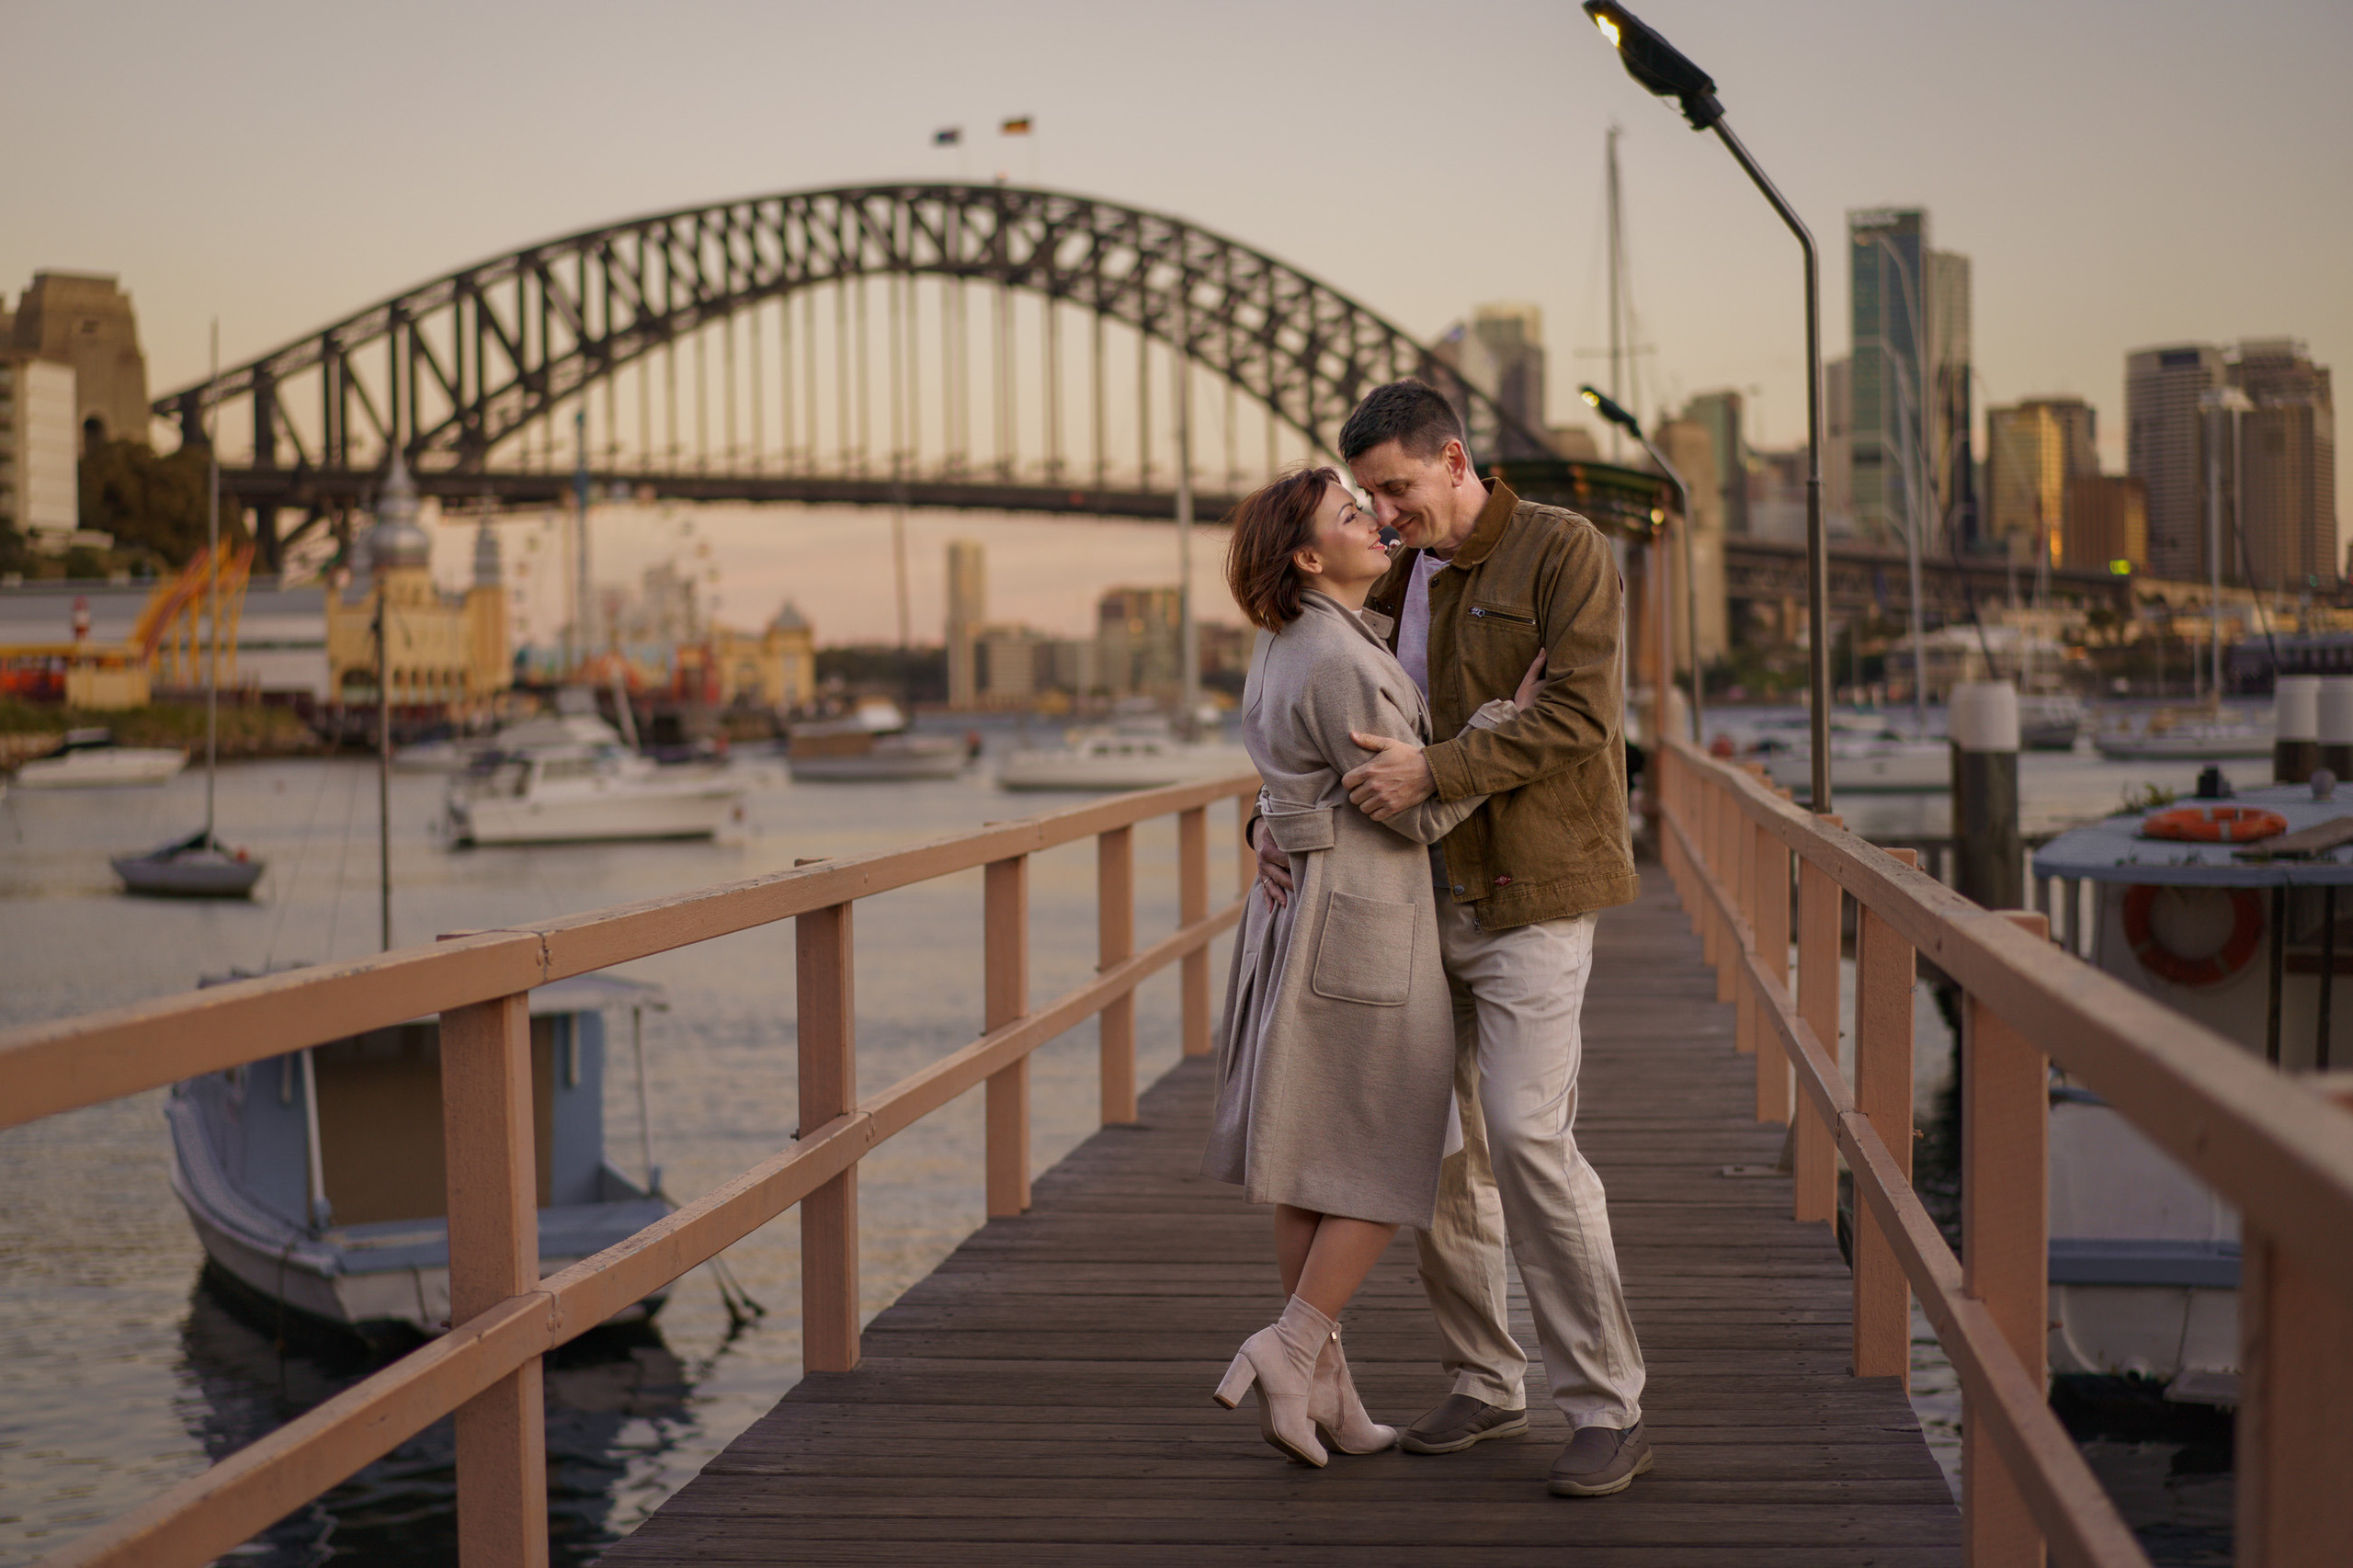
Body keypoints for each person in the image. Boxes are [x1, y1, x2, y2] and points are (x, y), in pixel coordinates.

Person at [1256, 379, 1651, 1497]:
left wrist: (1443, 763)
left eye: (1397, 488)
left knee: (1527, 1137)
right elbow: (1331, 725)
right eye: (1368, 497)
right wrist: (1266, 821)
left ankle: (1609, 1403)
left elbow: (1578, 714)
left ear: (1455, 458)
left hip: (1530, 891)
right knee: (1434, 1157)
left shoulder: (1561, 550)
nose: (1382, 513)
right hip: (1415, 902)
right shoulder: (1391, 574)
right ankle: (1486, 1377)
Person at [1203, 465, 1543, 1468]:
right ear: (1310, 557)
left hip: (1298, 909)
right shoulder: (1343, 658)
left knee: (1310, 1156)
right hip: (1360, 914)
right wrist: (1500, 724)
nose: (1375, 522)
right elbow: (1420, 802)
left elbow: (1293, 778)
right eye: (1352, 516)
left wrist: (1270, 819)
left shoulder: (1287, 642)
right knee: (1392, 1143)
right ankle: (1292, 1342)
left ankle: (1325, 1387)